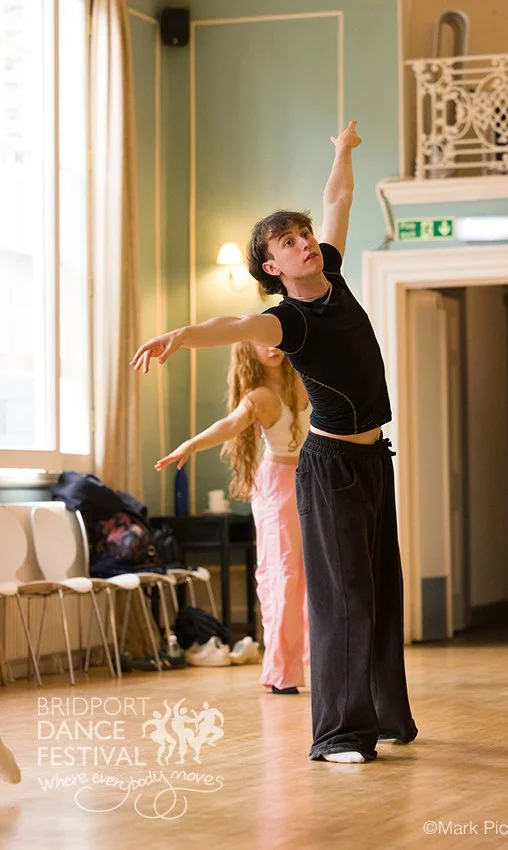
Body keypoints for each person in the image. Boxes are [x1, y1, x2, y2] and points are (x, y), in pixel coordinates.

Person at [131, 120, 417, 764]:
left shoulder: (332, 274)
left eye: (304, 234)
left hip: (373, 459)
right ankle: (338, 735)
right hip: (331, 466)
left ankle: (384, 716)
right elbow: (231, 324)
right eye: (289, 242)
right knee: (343, 598)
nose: (305, 243)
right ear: (272, 266)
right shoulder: (287, 320)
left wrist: (343, 151)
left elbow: (338, 199)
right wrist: (179, 335)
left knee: (380, 589)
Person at [155, 341, 311, 694]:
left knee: (315, 574)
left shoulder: (303, 378)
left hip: (312, 480)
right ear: (248, 350)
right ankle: (282, 672)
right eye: (261, 341)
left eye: (274, 338)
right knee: (283, 575)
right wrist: (191, 445)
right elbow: (229, 425)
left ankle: (317, 661)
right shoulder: (258, 397)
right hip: (277, 486)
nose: (271, 347)